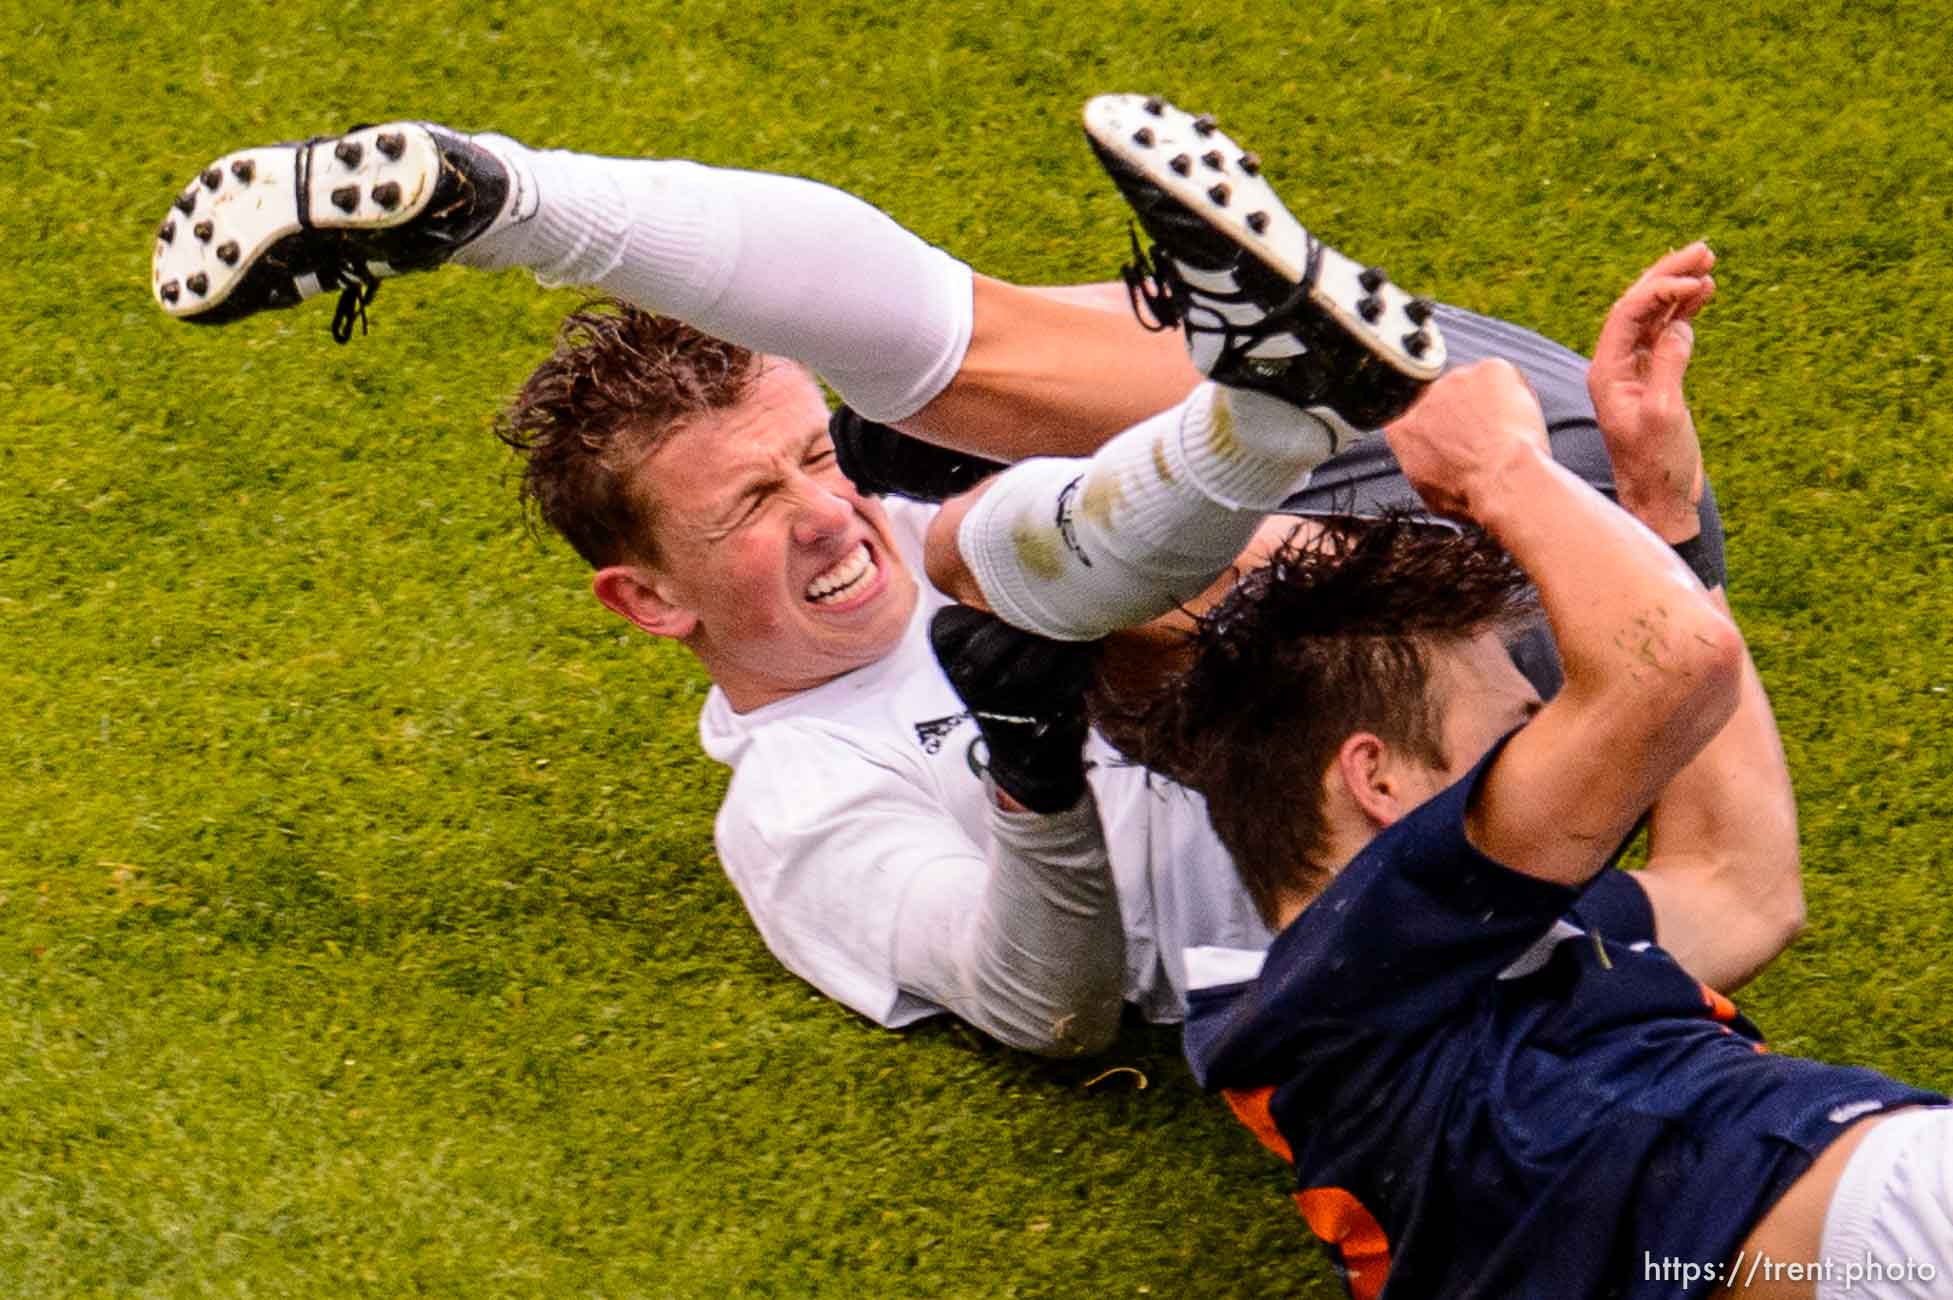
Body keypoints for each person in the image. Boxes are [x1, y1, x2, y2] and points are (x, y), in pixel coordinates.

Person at [146, 97, 1759, 1057]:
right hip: (1406, 789)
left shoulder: (907, 519)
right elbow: (1035, 1008)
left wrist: (1610, 496)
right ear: (648, 601)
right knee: (991, 516)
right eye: (750, 514)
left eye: (801, 467)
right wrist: (1030, 772)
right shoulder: (796, 804)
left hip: (1472, 522)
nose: (818, 517)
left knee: (951, 410)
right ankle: (1251, 394)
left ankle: (504, 197)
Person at [1098, 230, 1950, 1294]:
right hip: (1884, 1230)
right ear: (1378, 781)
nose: (1557, 727)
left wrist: (1658, 510)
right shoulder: (1340, 971)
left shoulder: (1415, 978)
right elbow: (1671, 669)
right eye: (1519, 718)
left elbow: (1740, 884)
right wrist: (1504, 469)